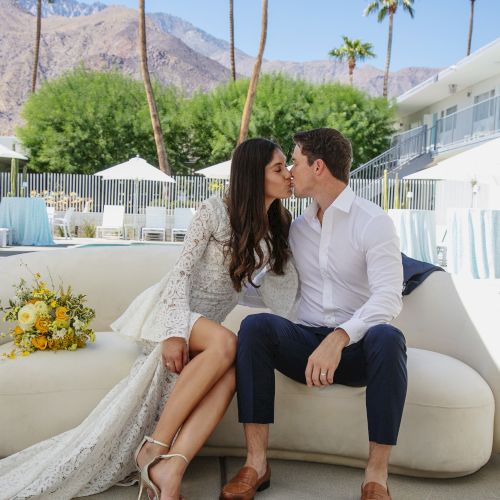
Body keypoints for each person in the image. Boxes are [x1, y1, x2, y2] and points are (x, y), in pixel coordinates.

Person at [0, 138, 297, 500]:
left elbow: (273, 290)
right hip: (174, 310)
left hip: (207, 324)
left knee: (236, 368)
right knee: (226, 342)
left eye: (287, 167)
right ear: (254, 175)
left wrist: (305, 332)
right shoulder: (214, 210)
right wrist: (175, 332)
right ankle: (153, 448)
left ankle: (170, 469)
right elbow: (181, 273)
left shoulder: (280, 222)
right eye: (279, 168)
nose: (289, 175)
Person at [221, 128, 406, 500]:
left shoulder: (373, 222)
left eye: (296, 161)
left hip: (356, 348)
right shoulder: (296, 228)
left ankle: (376, 476)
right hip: (304, 343)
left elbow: (389, 297)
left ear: (317, 167)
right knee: (255, 327)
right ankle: (256, 463)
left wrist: (340, 338)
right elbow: (274, 288)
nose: (291, 170)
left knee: (389, 337)